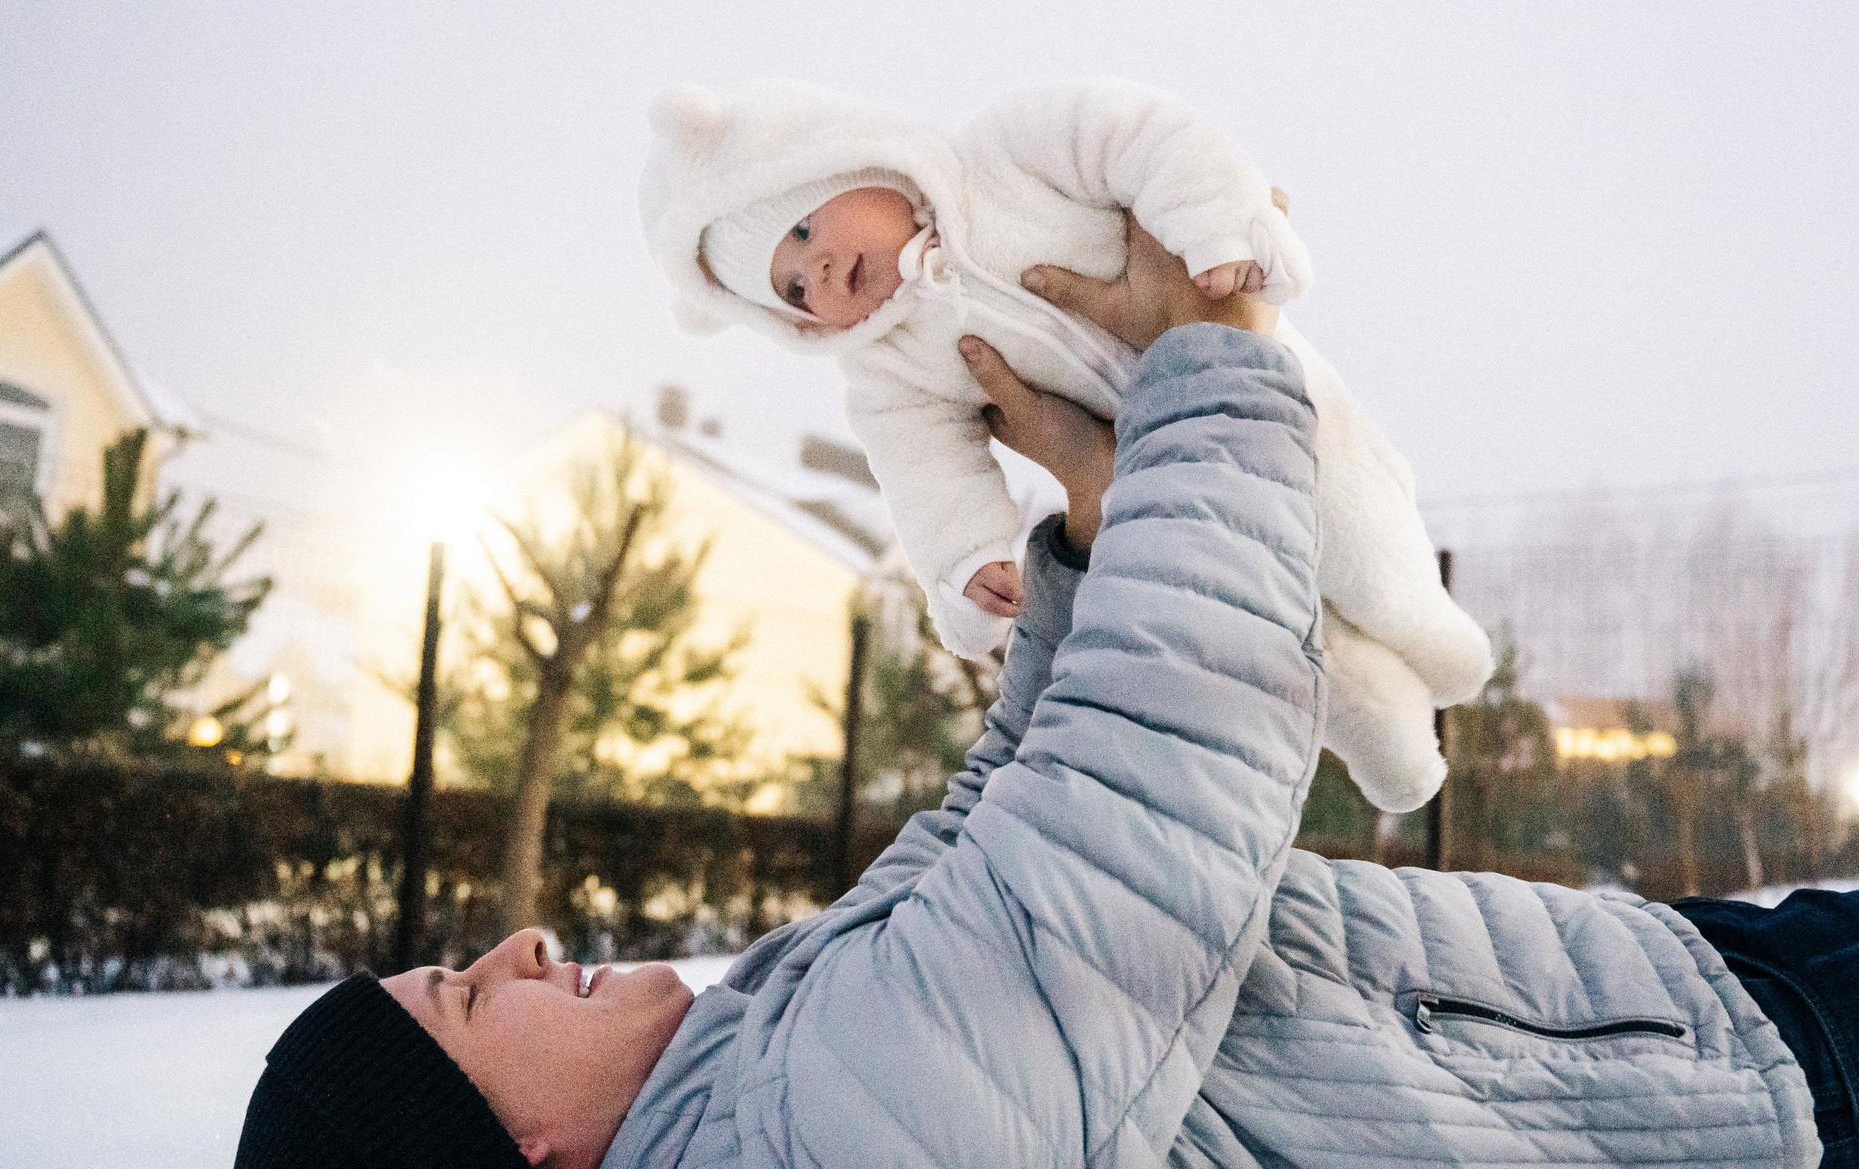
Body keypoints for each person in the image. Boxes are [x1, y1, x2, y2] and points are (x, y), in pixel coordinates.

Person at [195, 236, 1859, 1169]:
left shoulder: (761, 1088)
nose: (515, 938)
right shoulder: (838, 1159)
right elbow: (1167, 782)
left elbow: (1014, 816)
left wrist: (1075, 533)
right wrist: (1206, 387)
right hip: (1735, 1114)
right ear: (522, 1154)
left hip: (1643, 1010)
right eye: (469, 998)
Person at [638, 76, 1490, 811]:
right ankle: (1389, 744)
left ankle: (1437, 638)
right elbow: (922, 467)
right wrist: (965, 563)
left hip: (1265, 382)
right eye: (789, 288)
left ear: (855, 157)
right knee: (1266, 621)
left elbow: (1141, 132)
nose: (815, 270)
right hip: (1149, 478)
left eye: (801, 228)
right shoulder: (887, 374)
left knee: (1360, 527)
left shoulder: (1008, 155)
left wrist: (1216, 225)